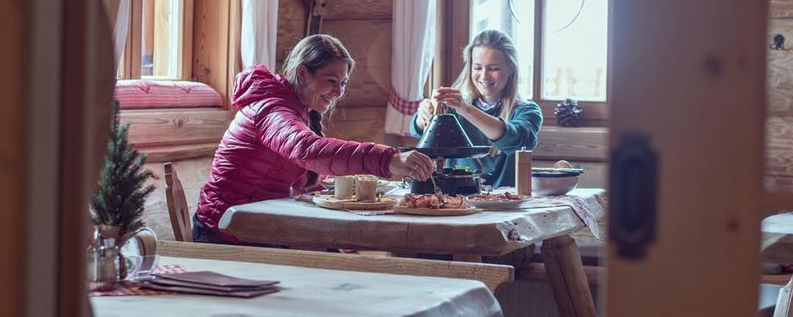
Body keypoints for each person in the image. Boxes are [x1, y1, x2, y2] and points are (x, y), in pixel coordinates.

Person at [195, 34, 433, 244]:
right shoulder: (271, 109)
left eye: (343, 84)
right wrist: (386, 158)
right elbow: (308, 150)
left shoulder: (298, 110)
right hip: (225, 230)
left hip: (251, 222)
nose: (338, 92)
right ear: (302, 73)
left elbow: (308, 174)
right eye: (331, 81)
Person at [410, 29, 542, 188]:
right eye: (478, 67)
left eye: (494, 68)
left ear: (511, 69)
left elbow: (517, 140)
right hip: (455, 200)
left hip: (504, 203)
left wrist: (467, 110)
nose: (484, 76)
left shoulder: (527, 111)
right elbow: (418, 131)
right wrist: (423, 116)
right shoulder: (453, 109)